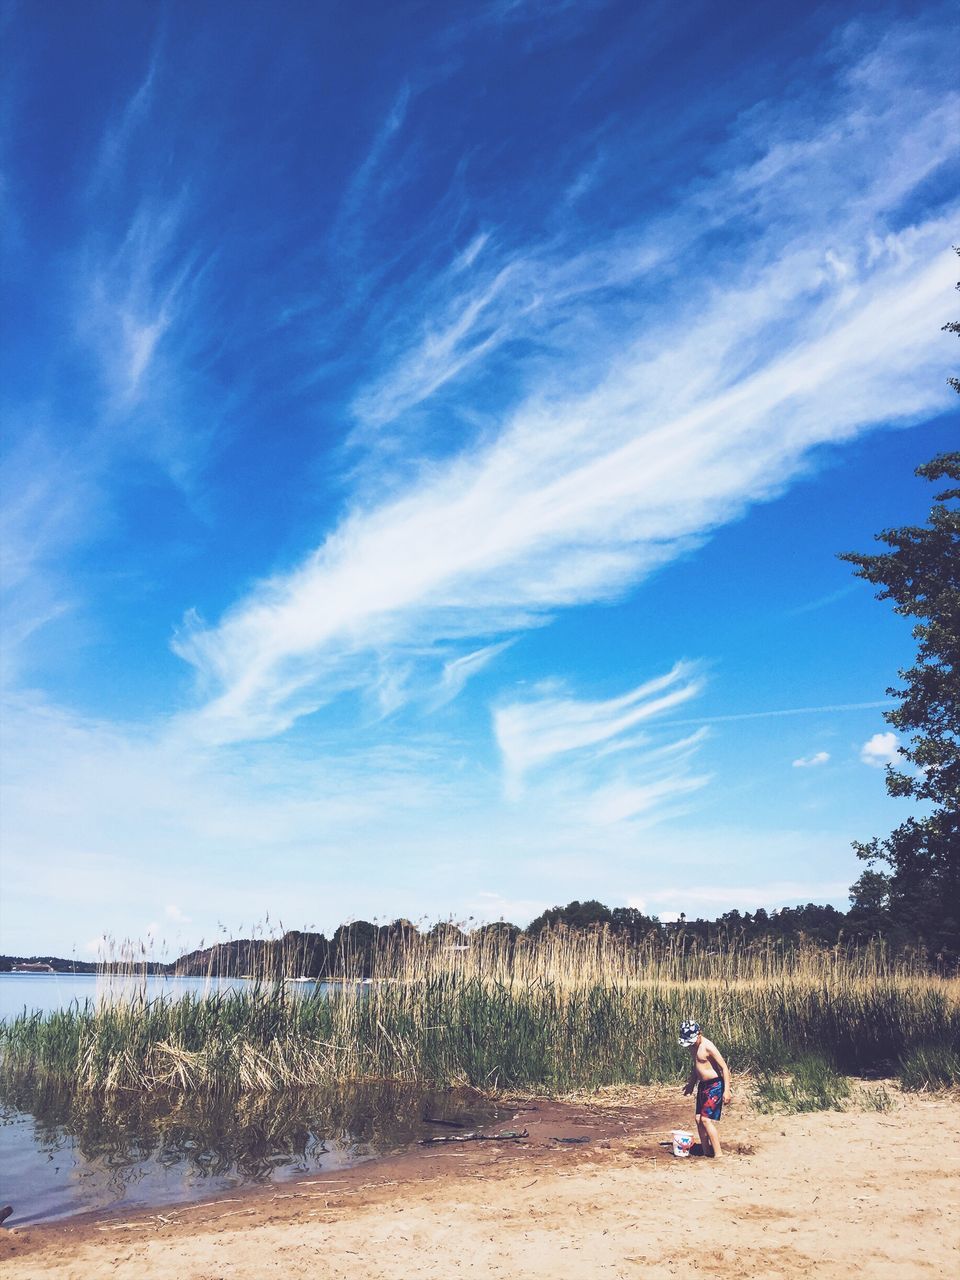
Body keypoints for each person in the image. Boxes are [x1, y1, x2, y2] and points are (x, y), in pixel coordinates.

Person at [679, 1020, 731, 1158]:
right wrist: (691, 1083)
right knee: (698, 1118)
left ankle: (718, 1154)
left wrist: (727, 1090)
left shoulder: (708, 1047)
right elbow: (696, 1066)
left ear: (699, 1034)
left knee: (705, 1120)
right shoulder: (692, 1047)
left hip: (715, 1086)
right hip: (702, 1086)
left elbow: (724, 1068)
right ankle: (705, 1151)